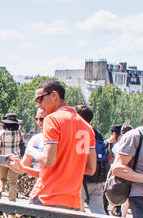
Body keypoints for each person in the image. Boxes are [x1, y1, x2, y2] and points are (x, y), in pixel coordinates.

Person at [32, 80, 96, 210]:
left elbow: (48, 161)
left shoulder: (52, 119)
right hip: (73, 202)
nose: (38, 105)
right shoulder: (86, 127)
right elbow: (90, 169)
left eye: (39, 99)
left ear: (54, 95)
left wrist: (30, 151)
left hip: (48, 197)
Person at [77, 104, 109, 214]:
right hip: (98, 178)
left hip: (82, 179)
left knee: (76, 214)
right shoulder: (97, 133)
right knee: (99, 213)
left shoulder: (80, 133)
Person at [0, 113, 25, 201]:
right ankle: (12, 199)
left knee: (2, 178)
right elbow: (21, 144)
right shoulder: (19, 132)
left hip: (3, 158)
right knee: (13, 182)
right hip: (15, 159)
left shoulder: (2, 132)